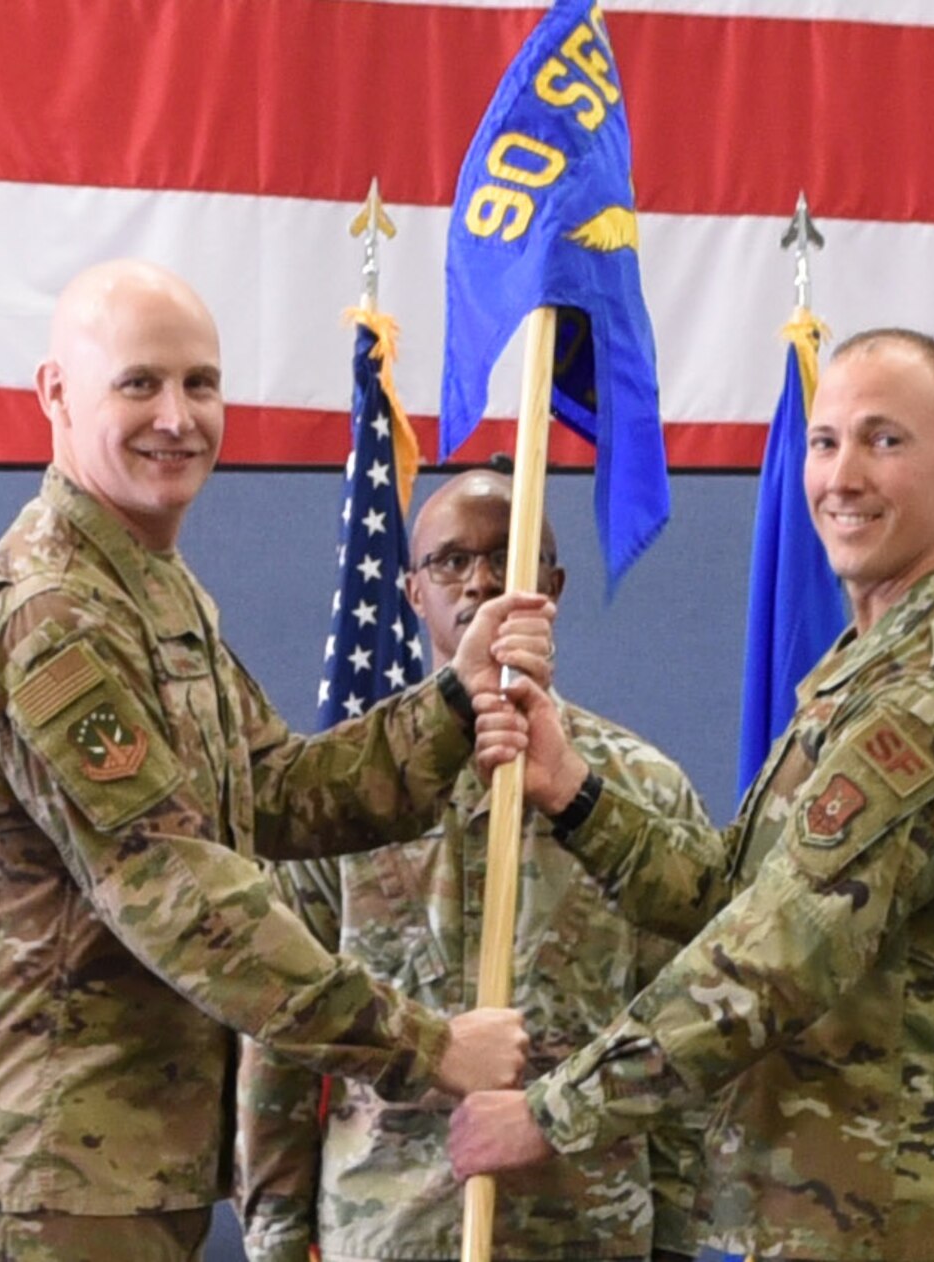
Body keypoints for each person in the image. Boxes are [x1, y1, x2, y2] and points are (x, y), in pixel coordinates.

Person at [0, 259, 546, 1261]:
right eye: (139, 383)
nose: (177, 415)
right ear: (56, 394)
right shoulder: (50, 617)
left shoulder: (148, 591)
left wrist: (454, 702)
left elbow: (277, 792)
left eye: (200, 383)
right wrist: (429, 1047)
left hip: (119, 1157)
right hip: (42, 1172)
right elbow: (176, 892)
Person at [452, 329, 934, 1261]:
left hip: (910, 1224)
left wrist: (554, 1110)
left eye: (885, 440)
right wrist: (574, 792)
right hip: (828, 1213)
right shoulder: (864, 673)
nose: (842, 476)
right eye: (825, 443)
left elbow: (771, 962)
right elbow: (734, 902)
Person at [237, 463, 710, 1262]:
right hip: (390, 1228)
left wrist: (675, 1236)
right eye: (450, 561)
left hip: (585, 1229)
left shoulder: (641, 791)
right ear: (413, 592)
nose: (482, 582)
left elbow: (686, 1029)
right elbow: (278, 1041)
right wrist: (277, 1239)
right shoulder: (345, 794)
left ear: (550, 588)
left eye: (510, 560)